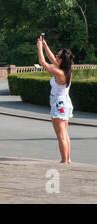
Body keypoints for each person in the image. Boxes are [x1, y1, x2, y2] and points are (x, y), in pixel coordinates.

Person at [37, 35, 75, 164]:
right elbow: (52, 59)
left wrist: (39, 48)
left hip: (59, 104)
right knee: (65, 133)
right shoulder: (66, 70)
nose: (56, 57)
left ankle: (64, 161)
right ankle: (67, 159)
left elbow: (43, 63)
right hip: (64, 102)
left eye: (59, 56)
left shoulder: (59, 73)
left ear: (62, 61)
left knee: (61, 136)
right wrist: (45, 46)